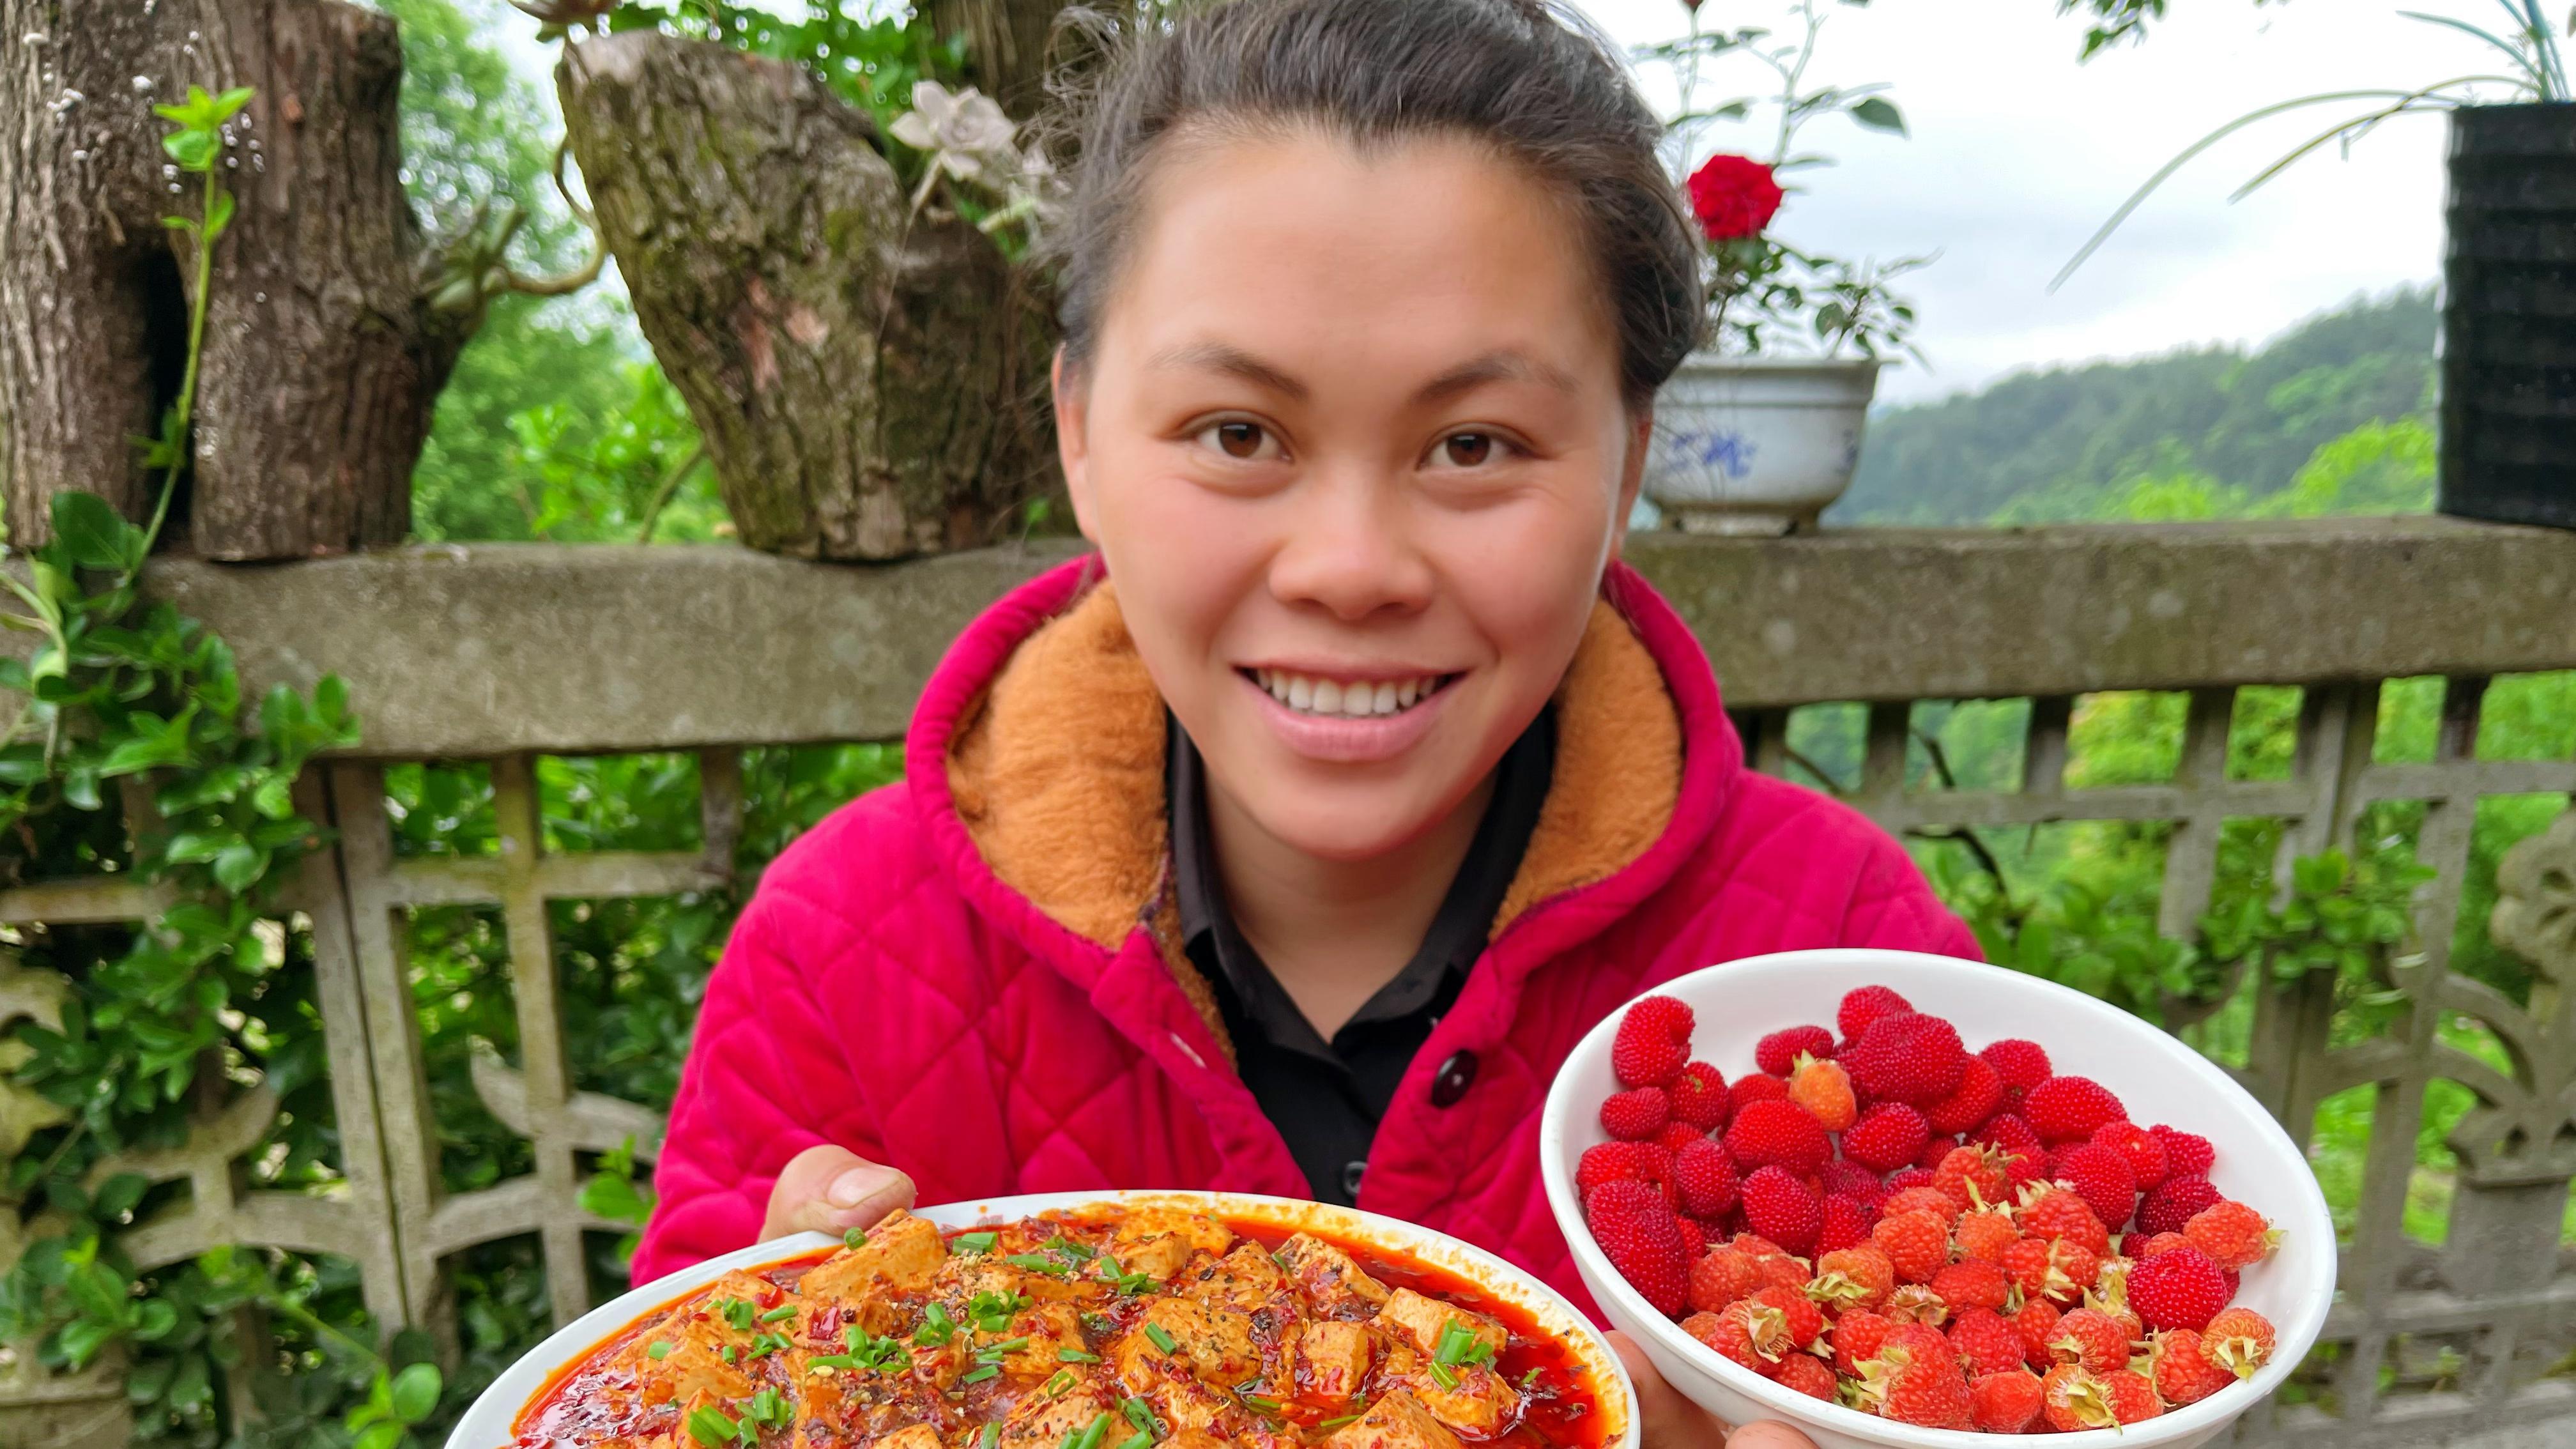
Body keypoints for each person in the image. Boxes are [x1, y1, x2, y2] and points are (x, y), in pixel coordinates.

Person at [635, 3, 1977, 1445]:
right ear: (1079, 435)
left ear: (1627, 464)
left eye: (1474, 446)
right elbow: (653, 1393)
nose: (1349, 569)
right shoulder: (846, 951)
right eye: (1239, 434)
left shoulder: (1840, 957)